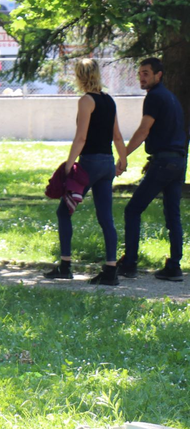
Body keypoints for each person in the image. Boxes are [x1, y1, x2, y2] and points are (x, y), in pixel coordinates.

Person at [44, 59, 127, 285]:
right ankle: (111, 271)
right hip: (108, 163)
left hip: (89, 163)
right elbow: (117, 136)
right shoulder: (109, 100)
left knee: (64, 212)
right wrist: (123, 160)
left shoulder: (86, 101)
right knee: (106, 218)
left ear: (80, 76)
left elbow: (81, 138)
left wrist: (69, 165)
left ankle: (65, 265)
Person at [116, 57, 188, 281]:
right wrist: (156, 156)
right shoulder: (171, 98)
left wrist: (123, 155)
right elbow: (172, 132)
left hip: (166, 163)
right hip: (177, 161)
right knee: (173, 215)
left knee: (133, 210)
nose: (142, 77)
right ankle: (174, 266)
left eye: (146, 73)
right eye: (140, 73)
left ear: (159, 75)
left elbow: (143, 130)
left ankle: (129, 263)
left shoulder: (155, 97)